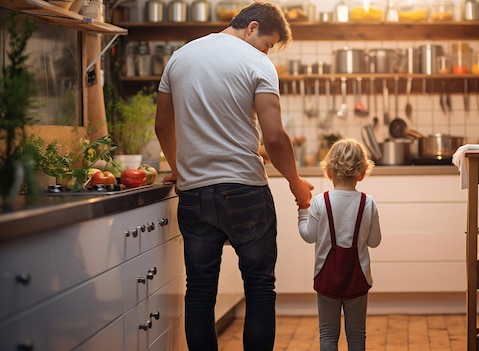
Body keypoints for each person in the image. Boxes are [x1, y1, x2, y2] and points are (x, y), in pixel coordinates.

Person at [154, 1, 314, 350]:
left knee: (198, 290)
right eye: (268, 43)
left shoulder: (180, 58)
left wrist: (179, 169)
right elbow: (273, 137)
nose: (267, 51)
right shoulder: (257, 62)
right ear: (252, 27)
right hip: (245, 191)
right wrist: (296, 182)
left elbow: (162, 124)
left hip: (194, 193)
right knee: (258, 288)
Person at [297, 138, 382, 351]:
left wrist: (302, 210)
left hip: (326, 279)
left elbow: (308, 236)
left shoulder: (319, 202)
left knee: (327, 335)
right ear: (361, 174)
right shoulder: (368, 203)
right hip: (358, 279)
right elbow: (374, 241)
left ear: (328, 172)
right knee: (357, 336)